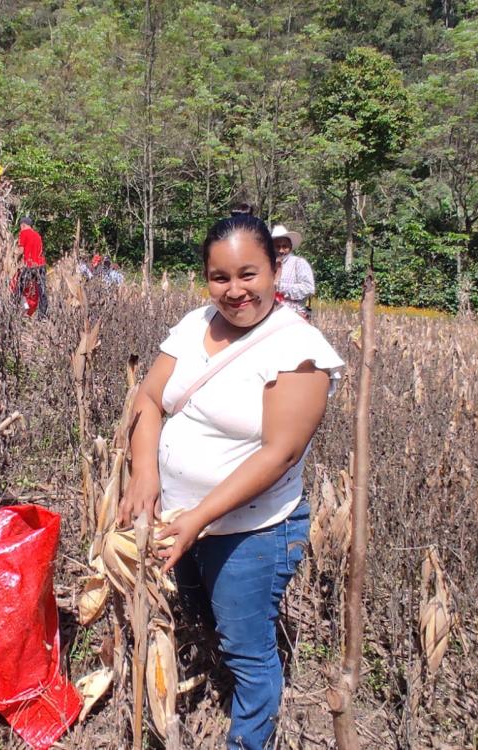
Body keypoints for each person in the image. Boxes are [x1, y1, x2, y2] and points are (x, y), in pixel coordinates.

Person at [118, 214, 343, 750]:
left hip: (250, 531)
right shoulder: (195, 323)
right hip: (178, 519)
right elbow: (149, 400)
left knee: (248, 650)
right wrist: (145, 473)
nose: (235, 291)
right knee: (197, 613)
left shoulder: (298, 349)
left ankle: (247, 739)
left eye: (249, 274)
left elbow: (279, 453)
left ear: (275, 269)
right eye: (221, 277)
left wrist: (200, 518)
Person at [271, 223, 315, 318]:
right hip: (271, 316)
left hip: (294, 315)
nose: (281, 251)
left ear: (290, 247)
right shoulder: (268, 265)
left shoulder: (298, 263)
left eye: (284, 246)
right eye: (277, 246)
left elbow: (308, 289)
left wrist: (279, 287)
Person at [17, 216, 48, 316]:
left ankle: (18, 310)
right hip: (41, 265)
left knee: (19, 289)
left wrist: (11, 254)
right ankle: (42, 315)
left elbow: (20, 251)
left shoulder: (23, 233)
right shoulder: (37, 235)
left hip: (29, 266)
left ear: (23, 225)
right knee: (41, 290)